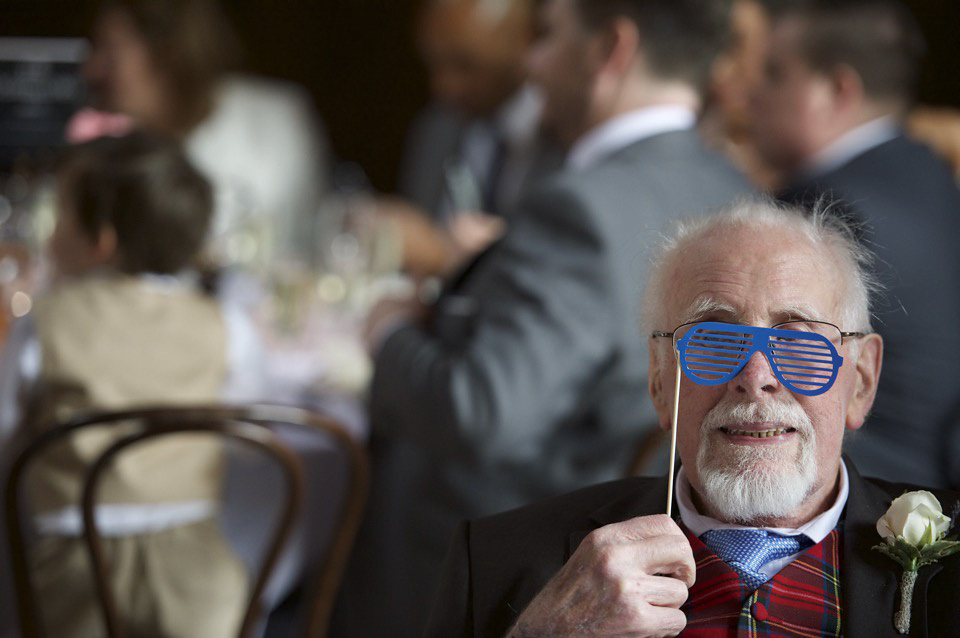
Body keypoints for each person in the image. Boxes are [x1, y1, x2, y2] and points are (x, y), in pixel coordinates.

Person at [333, 0, 750, 635]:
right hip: (655, 524)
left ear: (610, 49)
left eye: (548, 37)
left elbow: (482, 413)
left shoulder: (580, 208)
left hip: (516, 551)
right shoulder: (733, 187)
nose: (532, 63)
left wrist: (387, 329)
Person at [426, 198, 960, 636]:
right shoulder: (498, 563)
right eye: (715, 339)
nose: (755, 375)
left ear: (861, 381)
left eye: (797, 341)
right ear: (659, 380)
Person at [0, 132, 263, 638]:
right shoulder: (224, 323)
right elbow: (248, 426)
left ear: (101, 241)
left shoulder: (46, 323)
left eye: (60, 216)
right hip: (197, 570)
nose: (50, 232)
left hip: (76, 564)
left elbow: (7, 431)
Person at [749, 0, 960, 488]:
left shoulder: (823, 204)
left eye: (775, 74)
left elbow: (764, 367)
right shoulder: (931, 170)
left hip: (861, 492)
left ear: (837, 89)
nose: (750, 95)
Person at [78, 0, 332, 265]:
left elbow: (304, 254)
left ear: (169, 51)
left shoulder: (273, 126)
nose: (91, 70)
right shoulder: (111, 153)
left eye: (109, 51)